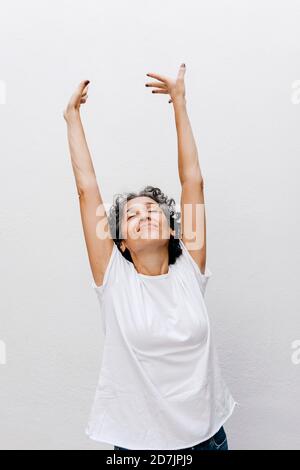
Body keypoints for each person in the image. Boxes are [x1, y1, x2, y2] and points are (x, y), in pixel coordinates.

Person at [63, 64, 238, 451]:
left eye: (152, 211)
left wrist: (180, 102)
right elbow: (86, 188)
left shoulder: (189, 269)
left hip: (210, 438)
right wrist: (72, 118)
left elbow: (193, 181)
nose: (143, 217)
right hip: (140, 447)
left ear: (173, 229)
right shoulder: (114, 279)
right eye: (131, 216)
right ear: (121, 242)